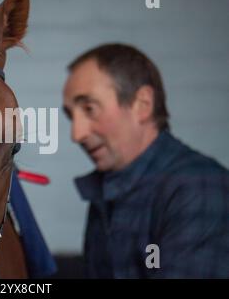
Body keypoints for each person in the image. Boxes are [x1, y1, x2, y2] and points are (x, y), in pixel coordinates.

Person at [62, 43, 229, 278]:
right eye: (71, 116)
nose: (76, 134)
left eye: (89, 108)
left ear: (142, 105)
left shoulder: (200, 186)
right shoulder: (106, 189)